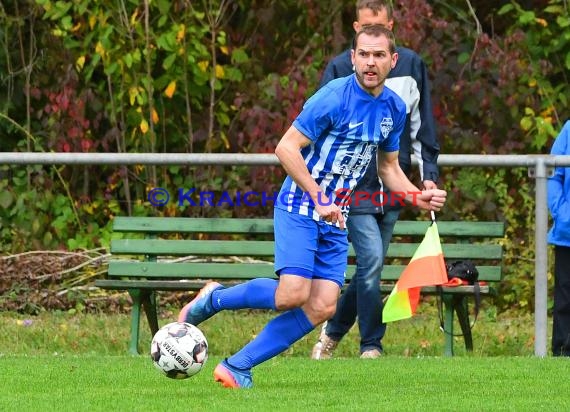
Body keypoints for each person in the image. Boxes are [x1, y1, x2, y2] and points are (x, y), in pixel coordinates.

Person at [178, 25, 447, 389]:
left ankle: (237, 366)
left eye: (379, 55)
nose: (370, 62)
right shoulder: (333, 97)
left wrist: (417, 196)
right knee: (291, 294)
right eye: (364, 54)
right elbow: (285, 148)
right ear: (352, 58)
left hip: (337, 217)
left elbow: (388, 168)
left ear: (393, 61)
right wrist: (320, 198)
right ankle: (214, 298)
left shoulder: (394, 109)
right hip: (301, 205)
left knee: (322, 306)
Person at [311, 0, 440, 359]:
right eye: (366, 30)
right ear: (355, 30)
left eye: (381, 30)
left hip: (393, 186)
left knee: (371, 266)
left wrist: (427, 177)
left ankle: (332, 333)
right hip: (352, 189)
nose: (372, 55)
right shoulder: (338, 68)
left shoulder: (411, 66)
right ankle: (371, 345)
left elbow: (422, 126)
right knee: (370, 261)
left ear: (392, 29)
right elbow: (318, 129)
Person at [547, 120, 570, 357]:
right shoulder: (569, 130)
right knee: (565, 299)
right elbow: (552, 174)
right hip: (568, 233)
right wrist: (563, 216)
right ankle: (562, 353)